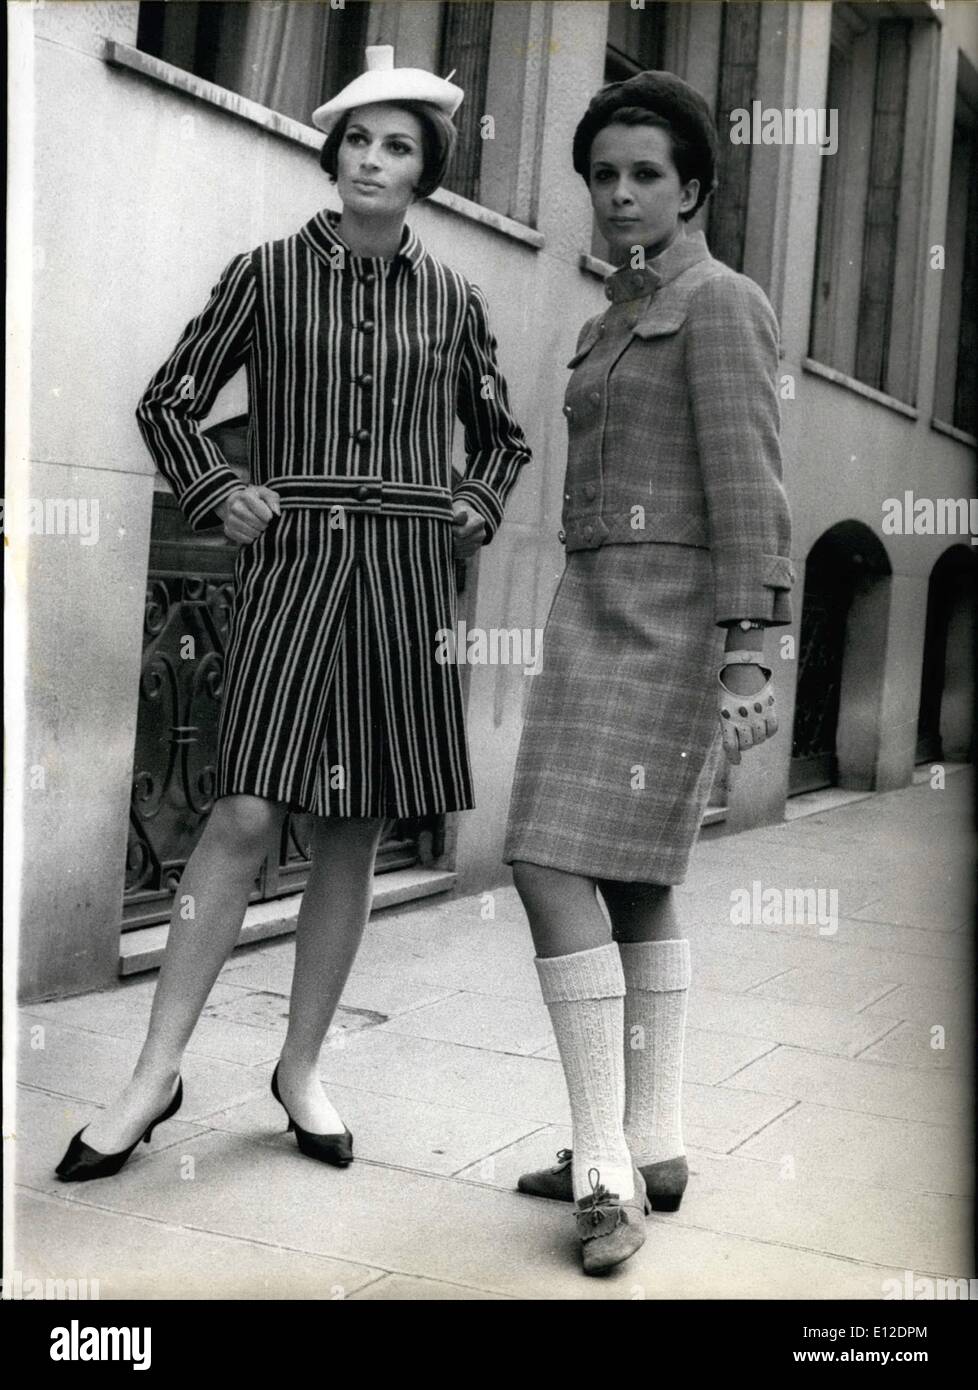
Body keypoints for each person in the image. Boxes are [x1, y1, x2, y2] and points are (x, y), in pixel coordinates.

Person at [56, 46, 531, 1183]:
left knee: (359, 823)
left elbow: (502, 436)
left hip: (408, 575)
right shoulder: (266, 273)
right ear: (335, 154)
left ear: (426, 171)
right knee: (246, 813)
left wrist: (475, 503)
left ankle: (301, 1067)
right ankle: (152, 1074)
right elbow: (169, 400)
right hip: (295, 566)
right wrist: (221, 493)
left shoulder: (455, 299)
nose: (373, 160)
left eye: (398, 146)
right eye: (359, 141)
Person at [502, 71, 795, 1275]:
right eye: (603, 176)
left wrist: (748, 652)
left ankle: (603, 1165)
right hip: (591, 611)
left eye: (644, 177)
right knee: (629, 878)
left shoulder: (723, 305)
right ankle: (658, 1140)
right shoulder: (604, 321)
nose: (619, 197)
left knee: (545, 857)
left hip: (674, 625)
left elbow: (752, 484)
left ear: (695, 191)